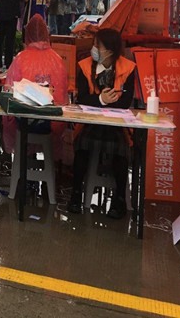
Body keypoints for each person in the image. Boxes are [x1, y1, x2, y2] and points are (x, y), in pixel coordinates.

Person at [67, 28, 136, 218]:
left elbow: (125, 102)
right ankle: (75, 195)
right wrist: (101, 100)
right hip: (90, 122)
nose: (94, 49)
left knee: (121, 151)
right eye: (94, 44)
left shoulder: (128, 68)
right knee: (82, 147)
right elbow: (81, 99)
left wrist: (105, 102)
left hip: (117, 124)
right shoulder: (84, 66)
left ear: (110, 51)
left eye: (98, 46)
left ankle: (119, 200)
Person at [2, 15, 68, 160]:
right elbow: (63, 96)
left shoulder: (20, 59)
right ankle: (48, 171)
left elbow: (9, 92)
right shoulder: (57, 60)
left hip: (25, 123)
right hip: (53, 123)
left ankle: (25, 168)